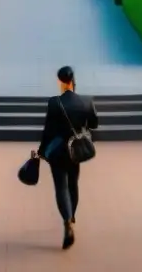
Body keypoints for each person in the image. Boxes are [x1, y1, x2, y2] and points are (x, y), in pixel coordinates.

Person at [35, 66, 99, 250]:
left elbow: (47, 131)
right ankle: (72, 217)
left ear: (60, 82)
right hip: (75, 151)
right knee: (73, 184)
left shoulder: (54, 103)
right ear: (73, 80)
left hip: (57, 152)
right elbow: (94, 124)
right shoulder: (86, 102)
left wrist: (41, 151)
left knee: (61, 187)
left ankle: (67, 221)